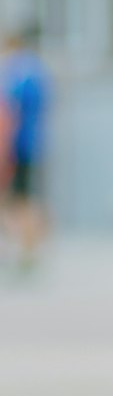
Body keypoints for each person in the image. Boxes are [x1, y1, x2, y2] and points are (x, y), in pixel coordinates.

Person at [0, 23, 51, 269]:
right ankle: (31, 251)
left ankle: (28, 253)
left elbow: (10, 112)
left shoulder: (19, 72)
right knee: (26, 198)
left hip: (16, 147)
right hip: (31, 143)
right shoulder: (37, 70)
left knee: (19, 200)